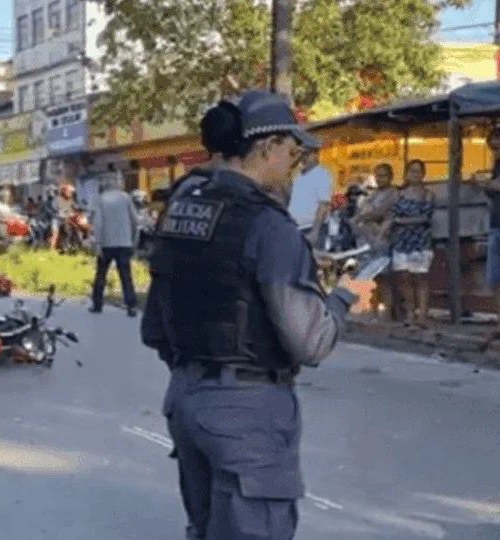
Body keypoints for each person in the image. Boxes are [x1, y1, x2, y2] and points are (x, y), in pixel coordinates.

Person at [147, 89, 358, 540]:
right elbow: (311, 341)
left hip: (186, 396)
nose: (294, 164)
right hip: (246, 411)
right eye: (293, 151)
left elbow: (157, 322)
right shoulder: (269, 225)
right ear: (268, 148)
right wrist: (343, 297)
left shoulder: (183, 207)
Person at [140, 103, 235, 540]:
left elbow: (160, 282)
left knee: (200, 505)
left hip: (183, 369)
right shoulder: (247, 203)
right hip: (234, 377)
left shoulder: (181, 196)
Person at [389, 159, 435, 328]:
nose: (415, 175)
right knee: (404, 277)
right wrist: (402, 221)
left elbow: (425, 217)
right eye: (412, 171)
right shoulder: (399, 194)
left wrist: (402, 221)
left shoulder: (428, 194)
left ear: (423, 174)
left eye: (418, 171)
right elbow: (393, 216)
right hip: (401, 241)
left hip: (420, 241)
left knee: (421, 278)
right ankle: (410, 312)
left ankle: (422, 314)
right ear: (406, 174)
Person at [89, 174, 140, 316]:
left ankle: (97, 304)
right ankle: (132, 305)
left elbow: (98, 223)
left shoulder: (100, 199)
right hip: (124, 243)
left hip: (107, 243)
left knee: (101, 274)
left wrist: (98, 242)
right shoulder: (125, 197)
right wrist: (134, 239)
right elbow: (135, 219)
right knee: (126, 275)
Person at [355, 162, 399, 320]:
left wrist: (365, 216)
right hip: (369, 240)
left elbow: (379, 212)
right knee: (371, 276)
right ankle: (372, 310)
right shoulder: (372, 194)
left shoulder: (393, 193)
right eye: (377, 176)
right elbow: (361, 212)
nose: (380, 179)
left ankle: (387, 312)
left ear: (390, 177)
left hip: (383, 238)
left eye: (383, 175)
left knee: (384, 277)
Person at [287, 150, 333, 243]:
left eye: (307, 154)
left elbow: (323, 204)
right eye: (302, 154)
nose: (304, 158)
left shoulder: (321, 174)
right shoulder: (299, 176)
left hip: (312, 228)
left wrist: (315, 231)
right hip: (297, 228)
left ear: (315, 155)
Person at [479, 126, 500, 328]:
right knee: (494, 278)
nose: (495, 151)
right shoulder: (496, 164)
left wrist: (483, 183)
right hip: (496, 223)